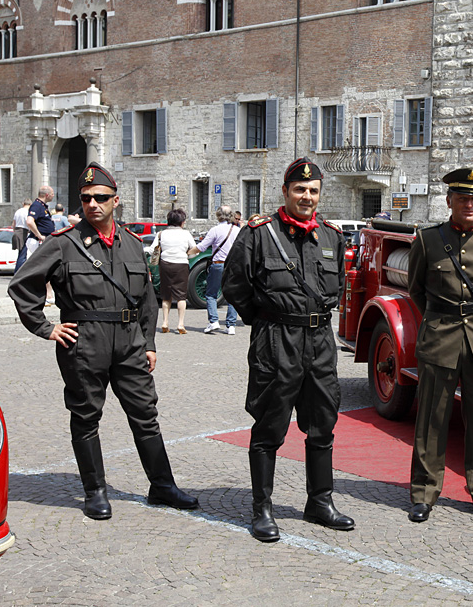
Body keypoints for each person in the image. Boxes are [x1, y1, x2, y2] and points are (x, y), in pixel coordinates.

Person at [7, 162, 197, 520]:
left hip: (129, 342)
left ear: (115, 200)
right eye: (87, 198)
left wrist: (150, 342)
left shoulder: (131, 242)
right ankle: (95, 491)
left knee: (145, 414)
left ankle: (162, 485)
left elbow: (147, 298)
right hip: (84, 342)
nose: (94, 204)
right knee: (85, 417)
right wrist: (45, 328)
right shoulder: (63, 245)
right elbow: (22, 285)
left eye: (101, 198)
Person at [223, 157, 353, 541]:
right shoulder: (260, 234)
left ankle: (320, 502)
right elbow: (234, 285)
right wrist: (266, 320)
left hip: (320, 343)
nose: (306, 196)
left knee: (323, 425)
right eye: (299, 189)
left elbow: (338, 287)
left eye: (313, 191)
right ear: (285, 192)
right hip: (276, 341)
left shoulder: (330, 236)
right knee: (269, 426)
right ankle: (261, 509)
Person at [406, 167, 473, 525]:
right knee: (432, 418)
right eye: (462, 198)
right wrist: (441, 318)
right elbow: (416, 290)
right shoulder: (427, 238)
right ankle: (423, 492)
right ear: (448, 201)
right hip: (440, 336)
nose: (469, 204)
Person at [190, 204, 239, 334]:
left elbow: (201, 247)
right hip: (232, 265)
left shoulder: (215, 230)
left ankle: (213, 321)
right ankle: (231, 325)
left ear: (218, 216)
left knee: (211, 294)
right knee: (232, 295)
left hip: (218, 263)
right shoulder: (237, 230)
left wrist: (188, 252)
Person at [151, 209, 196, 333]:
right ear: (182, 221)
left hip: (165, 264)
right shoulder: (186, 234)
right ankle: (180, 324)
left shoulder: (161, 234)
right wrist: (187, 255)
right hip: (181, 263)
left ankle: (165, 322)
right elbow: (194, 249)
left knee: (166, 295)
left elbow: (152, 249)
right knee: (181, 296)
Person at [12, 200, 30, 272]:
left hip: (17, 231)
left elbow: (14, 223)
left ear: (23, 204)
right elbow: (28, 222)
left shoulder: (18, 211)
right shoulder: (27, 212)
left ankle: (17, 271)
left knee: (20, 253)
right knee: (23, 254)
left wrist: (14, 231)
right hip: (24, 232)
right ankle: (19, 272)